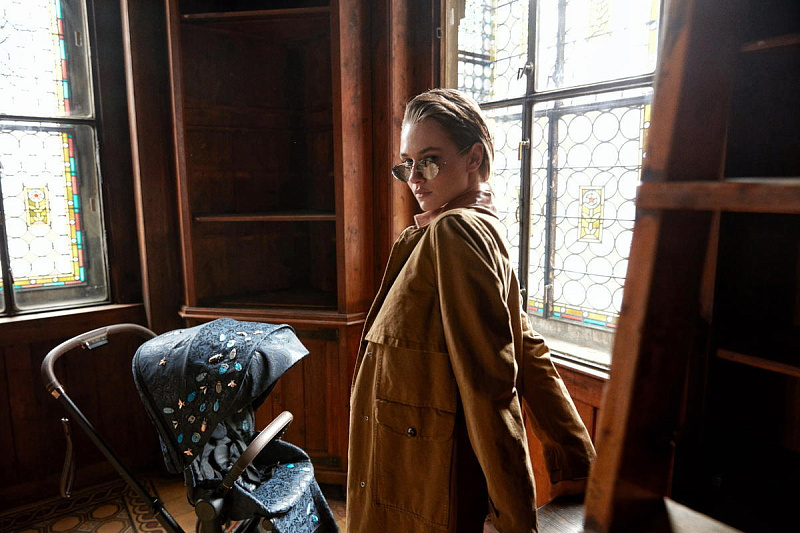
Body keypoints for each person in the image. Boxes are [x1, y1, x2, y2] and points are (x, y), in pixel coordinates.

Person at [346, 88, 596, 533]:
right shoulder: (470, 230)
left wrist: (516, 521)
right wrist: (578, 460)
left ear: (474, 158)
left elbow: (490, 387)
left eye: (429, 161)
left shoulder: (456, 232)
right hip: (408, 469)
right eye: (407, 164)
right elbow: (528, 350)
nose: (415, 179)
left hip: (417, 484)